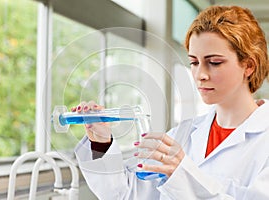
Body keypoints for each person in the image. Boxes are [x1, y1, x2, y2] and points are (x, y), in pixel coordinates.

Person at [73, 5, 269, 199]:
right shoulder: (183, 135)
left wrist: (182, 175)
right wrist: (101, 143)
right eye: (194, 62)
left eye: (214, 62)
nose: (200, 75)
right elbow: (126, 194)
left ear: (249, 66)